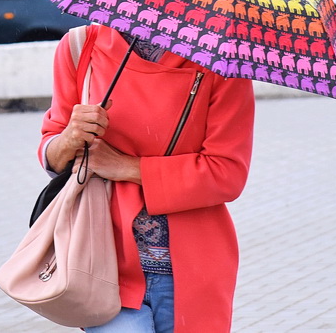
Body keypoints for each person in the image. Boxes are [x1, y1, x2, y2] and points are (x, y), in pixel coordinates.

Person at [40, 23, 255, 333]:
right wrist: (70, 137)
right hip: (103, 263)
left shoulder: (220, 61)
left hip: (191, 268)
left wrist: (127, 166)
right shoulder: (81, 45)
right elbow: (51, 154)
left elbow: (227, 173)